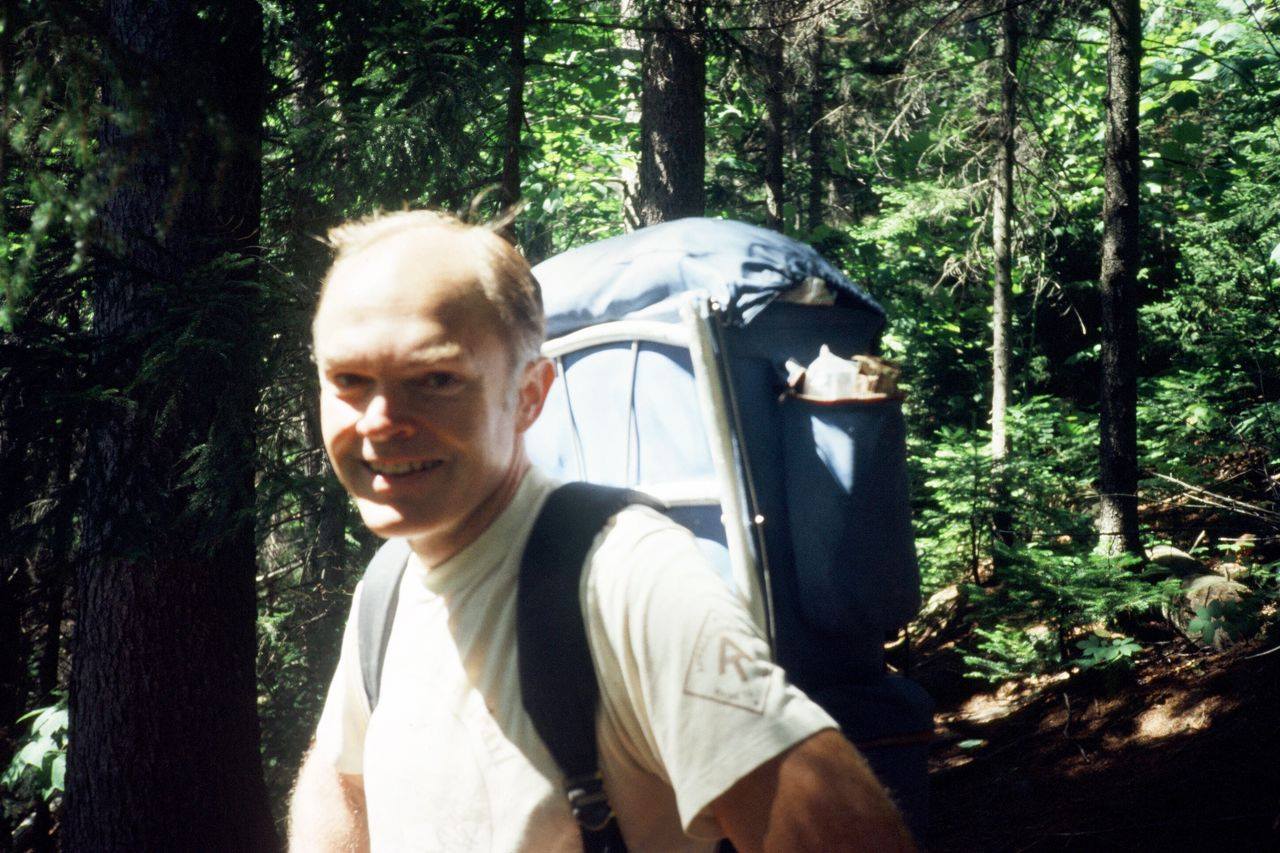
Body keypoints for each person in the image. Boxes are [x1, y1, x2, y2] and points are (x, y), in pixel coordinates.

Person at [288, 210, 915, 853]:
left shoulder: (625, 578)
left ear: (530, 395)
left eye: (436, 380)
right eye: (349, 381)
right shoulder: (391, 582)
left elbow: (841, 830)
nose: (381, 422)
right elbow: (343, 783)